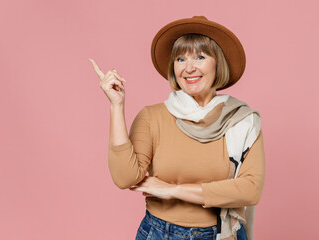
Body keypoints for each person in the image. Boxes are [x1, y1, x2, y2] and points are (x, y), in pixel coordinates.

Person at [90, 16, 265, 240]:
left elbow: (251, 190)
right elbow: (125, 178)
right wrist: (116, 105)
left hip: (221, 234)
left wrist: (173, 190)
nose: (189, 68)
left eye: (200, 57)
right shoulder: (152, 117)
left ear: (218, 64)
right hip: (159, 233)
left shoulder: (242, 120)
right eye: (181, 59)